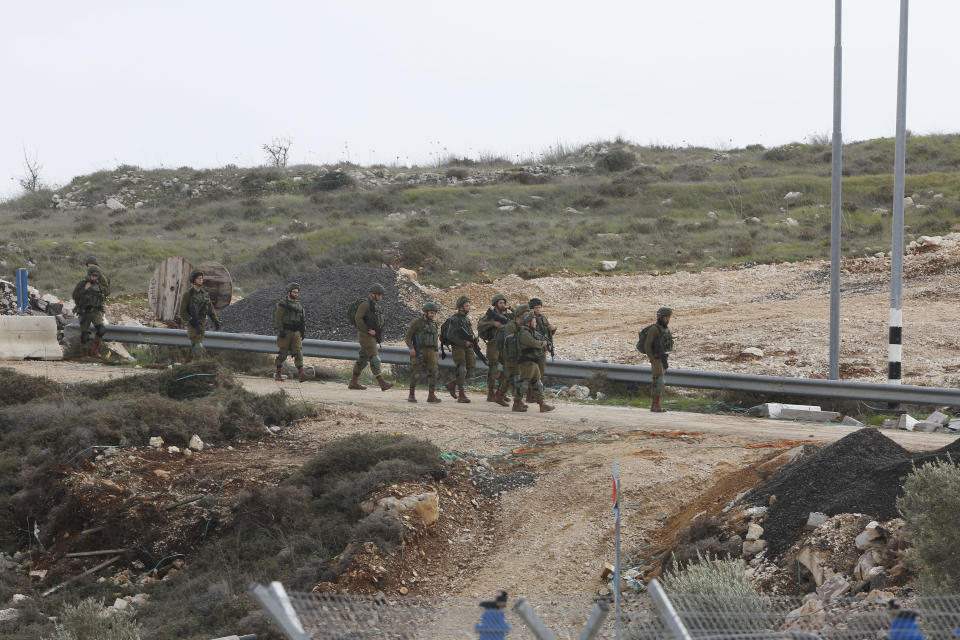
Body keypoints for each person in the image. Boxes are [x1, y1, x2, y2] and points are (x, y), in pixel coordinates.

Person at [348, 283, 394, 391]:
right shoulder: (365, 304)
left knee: (363, 359)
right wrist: (368, 330)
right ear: (373, 294)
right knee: (374, 358)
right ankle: (382, 383)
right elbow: (358, 318)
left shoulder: (375, 305)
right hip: (366, 336)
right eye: (379, 295)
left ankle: (353, 382)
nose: (381, 297)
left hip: (371, 336)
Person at [476, 293, 512, 406]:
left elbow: (517, 318)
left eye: (504, 303)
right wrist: (493, 323)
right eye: (501, 303)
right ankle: (490, 393)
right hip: (493, 344)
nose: (503, 305)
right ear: (495, 304)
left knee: (508, 367)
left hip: (504, 344)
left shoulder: (506, 315)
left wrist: (511, 308)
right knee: (493, 368)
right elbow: (480, 325)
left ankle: (500, 392)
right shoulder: (490, 315)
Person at [177, 270, 221, 362]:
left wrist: (215, 320)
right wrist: (191, 319)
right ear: (193, 280)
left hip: (202, 324)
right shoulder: (188, 295)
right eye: (199, 278)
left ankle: (186, 367)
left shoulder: (204, 294)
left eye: (202, 278)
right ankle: (199, 367)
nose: (201, 280)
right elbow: (182, 312)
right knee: (198, 347)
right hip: (192, 325)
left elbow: (210, 309)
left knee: (194, 347)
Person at [515, 312, 555, 412]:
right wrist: (544, 343)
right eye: (534, 321)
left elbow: (537, 345)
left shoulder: (531, 332)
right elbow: (534, 343)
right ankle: (517, 403)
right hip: (527, 362)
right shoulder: (524, 333)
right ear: (528, 323)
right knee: (524, 383)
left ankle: (542, 404)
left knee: (537, 383)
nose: (535, 323)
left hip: (533, 361)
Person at [404, 302, 442, 403]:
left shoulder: (434, 324)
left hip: (431, 351)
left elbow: (435, 338)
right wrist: (411, 348)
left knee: (434, 372)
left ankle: (431, 395)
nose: (432, 315)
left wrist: (436, 350)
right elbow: (408, 337)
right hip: (419, 350)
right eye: (431, 313)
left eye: (434, 313)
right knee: (417, 373)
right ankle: (411, 395)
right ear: (425, 312)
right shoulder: (417, 322)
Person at [443, 295, 477, 403]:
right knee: (461, 369)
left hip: (468, 347)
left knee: (471, 369)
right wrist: (463, 342)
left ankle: (452, 384)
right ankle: (461, 395)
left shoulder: (466, 319)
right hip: (458, 348)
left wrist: (473, 340)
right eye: (466, 305)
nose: (469, 307)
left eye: (469, 305)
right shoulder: (454, 319)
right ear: (461, 307)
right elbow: (450, 335)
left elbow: (469, 333)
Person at [642, 307, 674, 412]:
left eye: (668, 317)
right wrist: (652, 359)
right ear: (661, 317)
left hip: (662, 358)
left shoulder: (665, 329)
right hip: (656, 358)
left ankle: (656, 404)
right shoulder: (654, 329)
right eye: (666, 317)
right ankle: (655, 405)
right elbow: (647, 345)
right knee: (658, 381)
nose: (668, 319)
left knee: (661, 382)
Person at [274, 282, 307, 382]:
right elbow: (278, 318)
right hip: (286, 332)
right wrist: (281, 330)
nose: (296, 294)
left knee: (298, 352)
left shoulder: (299, 306)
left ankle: (301, 375)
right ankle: (278, 374)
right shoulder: (283, 304)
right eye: (294, 292)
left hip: (296, 332)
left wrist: (302, 331)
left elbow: (302, 319)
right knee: (283, 354)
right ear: (289, 292)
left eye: (297, 292)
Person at [72, 267, 107, 358]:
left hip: (96, 311)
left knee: (101, 330)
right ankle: (85, 354)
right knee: (85, 334)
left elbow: (102, 297)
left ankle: (95, 350)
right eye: (92, 276)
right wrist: (85, 289)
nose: (94, 278)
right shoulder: (82, 283)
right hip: (84, 311)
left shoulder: (98, 285)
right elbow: (75, 295)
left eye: (96, 276)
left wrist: (101, 309)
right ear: (89, 275)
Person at [527, 298, 556, 402]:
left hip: (542, 349)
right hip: (533, 349)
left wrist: (552, 329)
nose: (538, 309)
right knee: (532, 373)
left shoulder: (543, 318)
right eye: (536, 307)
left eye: (540, 307)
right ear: (532, 308)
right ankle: (530, 395)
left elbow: (547, 333)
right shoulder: (529, 318)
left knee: (541, 372)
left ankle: (536, 395)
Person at [499, 303, 528, 410]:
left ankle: (500, 395)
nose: (527, 315)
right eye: (525, 314)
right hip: (511, 356)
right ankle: (517, 402)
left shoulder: (522, 325)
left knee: (510, 378)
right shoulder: (511, 325)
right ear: (520, 315)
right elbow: (510, 341)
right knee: (515, 379)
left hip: (518, 356)